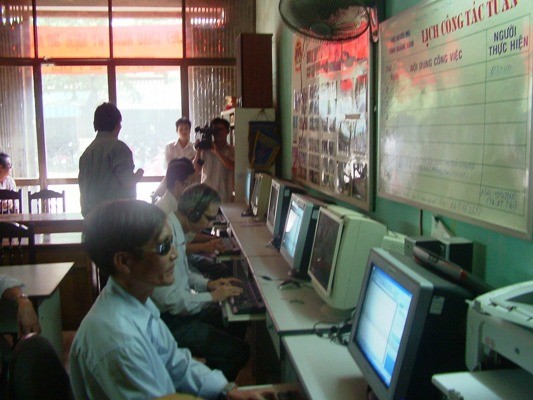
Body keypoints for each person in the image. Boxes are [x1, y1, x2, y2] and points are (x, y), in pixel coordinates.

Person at [69, 199, 243, 400]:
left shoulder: (138, 300)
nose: (175, 254)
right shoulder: (118, 340)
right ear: (124, 262)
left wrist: (228, 390)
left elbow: (176, 362)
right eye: (164, 247)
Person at [152, 184, 250, 381]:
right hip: (171, 321)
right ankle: (215, 387)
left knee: (236, 318)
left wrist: (209, 285)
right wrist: (212, 297)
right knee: (239, 351)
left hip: (178, 309)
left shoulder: (176, 228)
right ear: (192, 212)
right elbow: (174, 303)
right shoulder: (168, 234)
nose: (210, 223)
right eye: (209, 218)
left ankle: (212, 374)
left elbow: (184, 272)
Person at [78, 102, 144, 217]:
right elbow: (128, 182)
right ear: (117, 125)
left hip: (91, 217)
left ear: (95, 124)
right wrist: (139, 173)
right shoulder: (119, 149)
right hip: (115, 218)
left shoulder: (87, 153)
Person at [154, 118, 200, 199]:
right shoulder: (170, 147)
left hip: (188, 182)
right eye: (181, 129)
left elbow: (195, 168)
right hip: (172, 180)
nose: (184, 131)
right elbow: (169, 167)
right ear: (177, 131)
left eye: (186, 129)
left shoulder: (194, 148)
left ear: (190, 130)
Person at [194, 117, 234, 202]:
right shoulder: (205, 150)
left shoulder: (232, 150)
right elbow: (196, 170)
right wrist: (198, 150)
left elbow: (233, 166)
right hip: (206, 198)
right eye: (215, 130)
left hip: (225, 197)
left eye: (221, 129)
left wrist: (217, 152)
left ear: (227, 131)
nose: (218, 132)